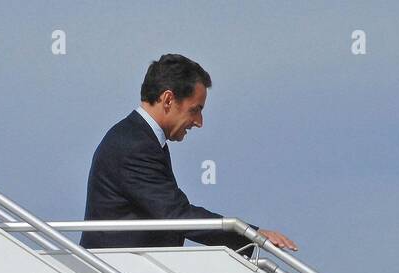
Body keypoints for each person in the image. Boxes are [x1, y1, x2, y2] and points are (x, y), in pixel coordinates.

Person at [80, 54, 295, 253]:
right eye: (195, 110)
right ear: (168, 100)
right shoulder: (135, 145)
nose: (199, 122)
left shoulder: (139, 138)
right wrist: (248, 234)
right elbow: (176, 215)